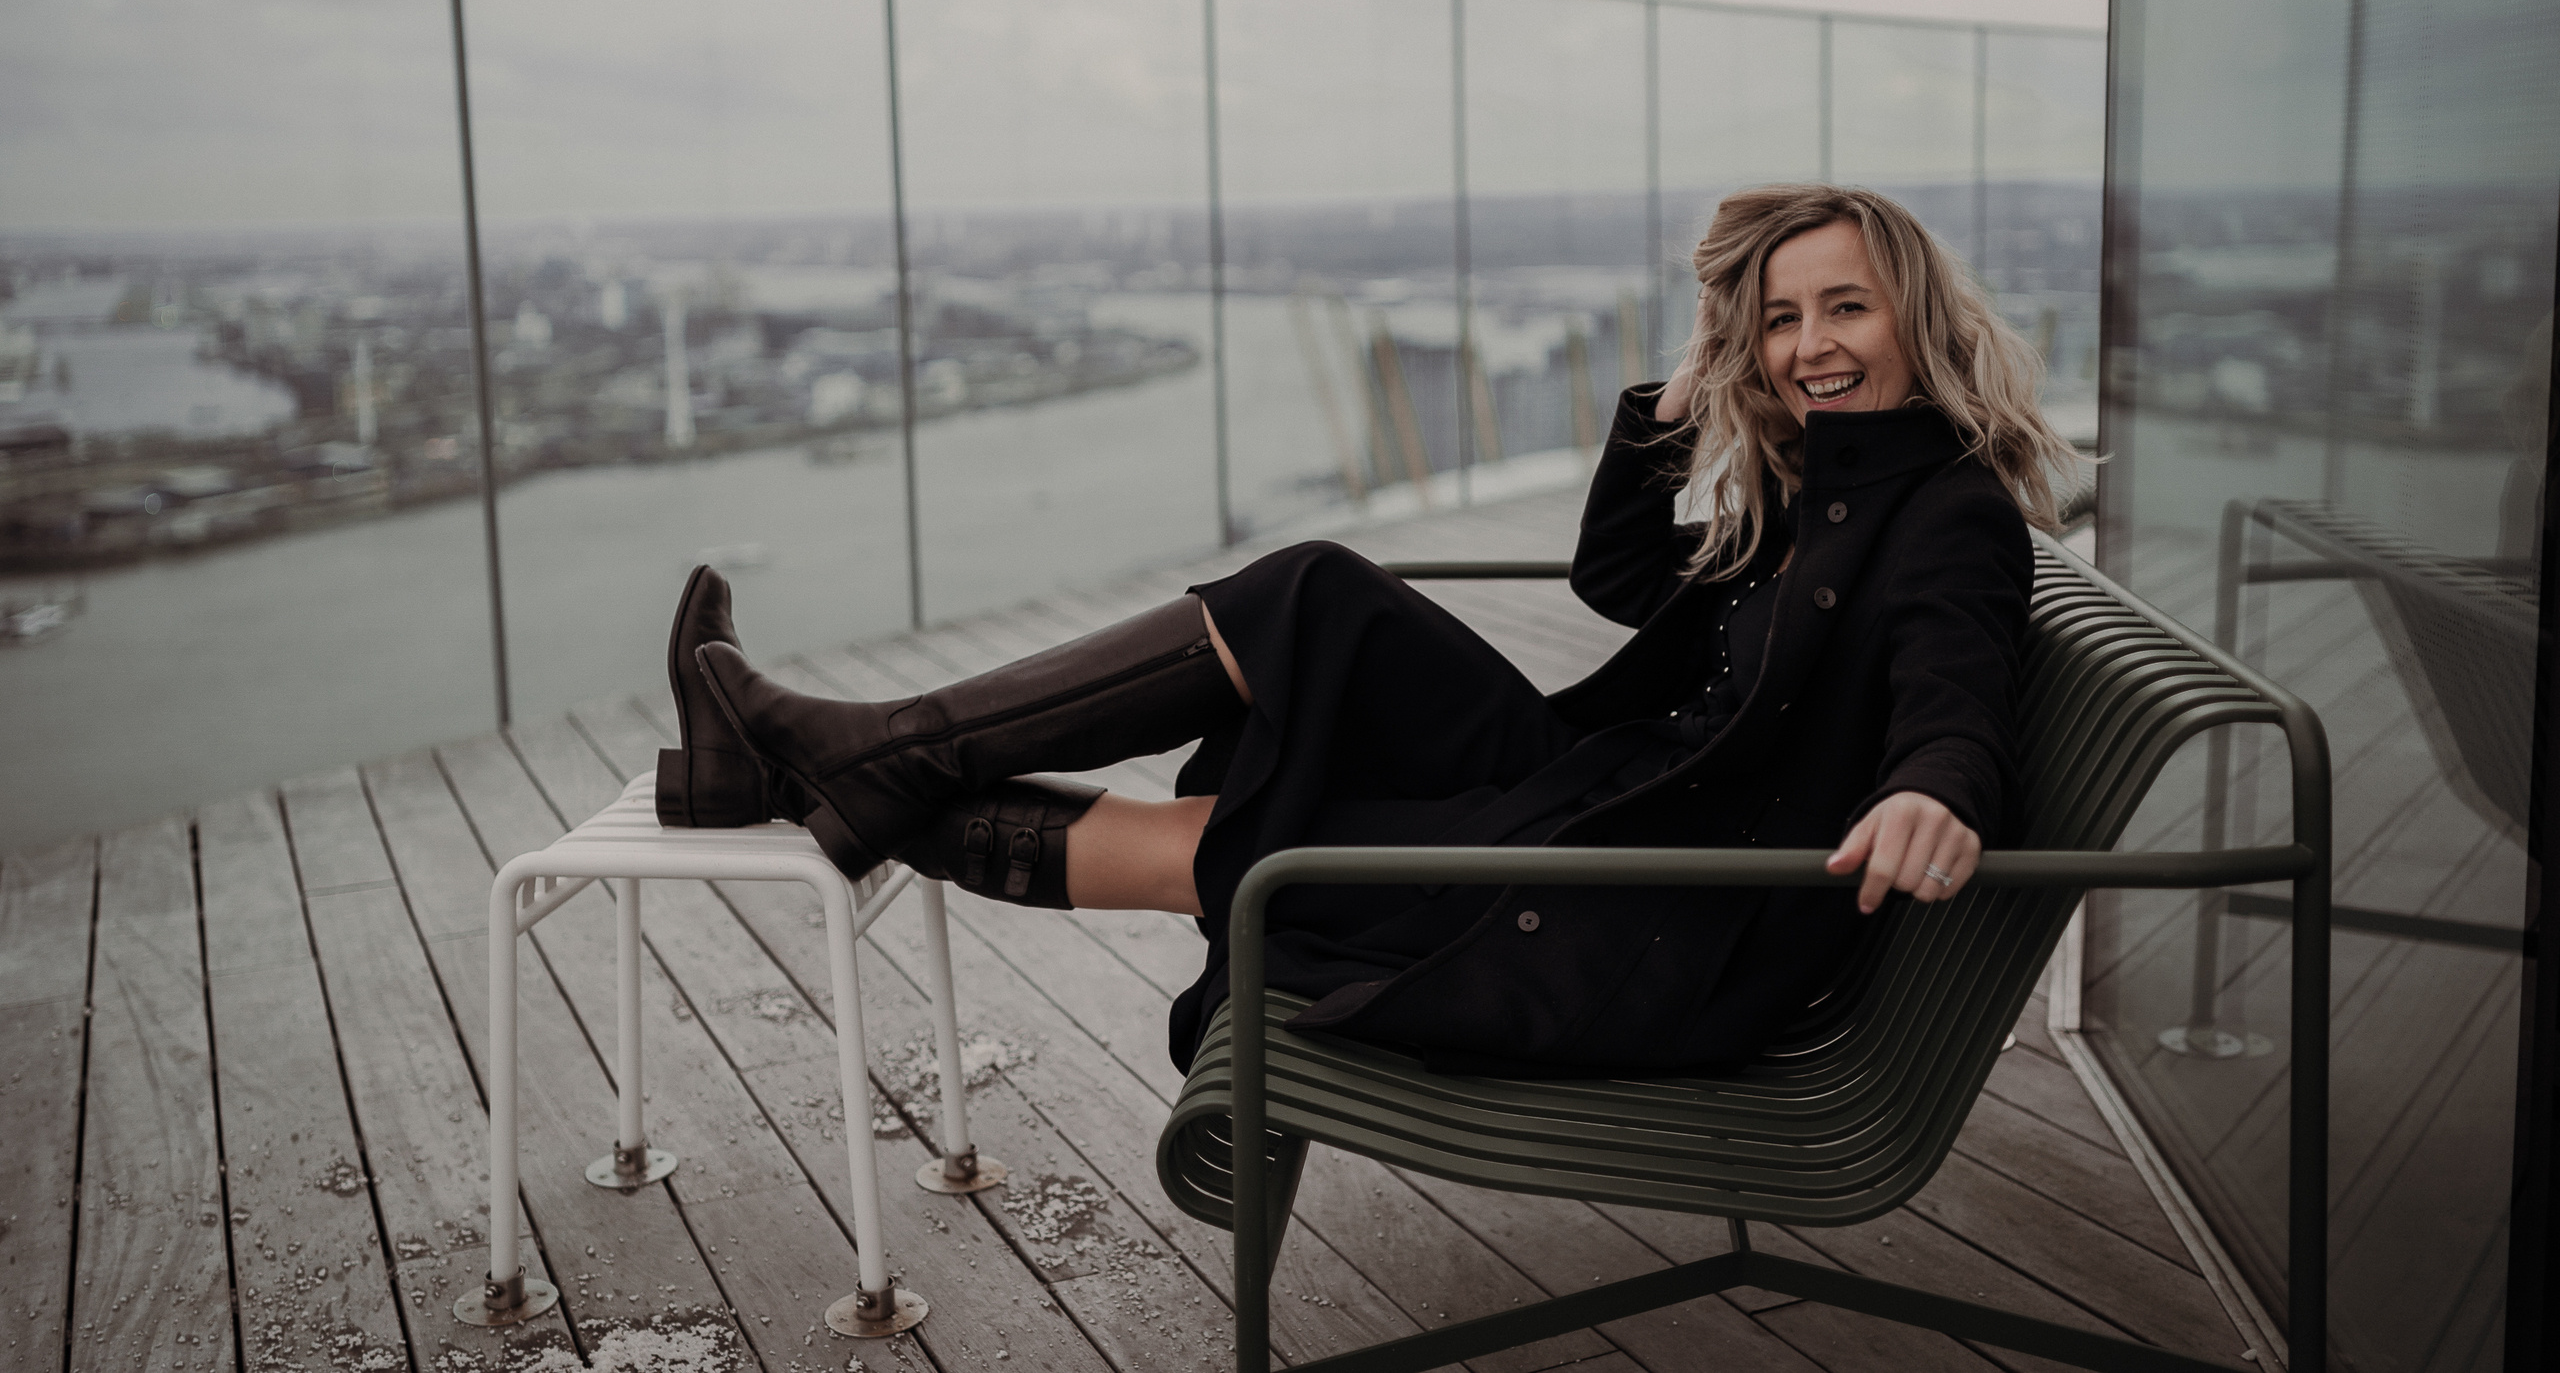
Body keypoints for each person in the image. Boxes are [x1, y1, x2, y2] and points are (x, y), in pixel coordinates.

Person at [659, 185, 2076, 1075]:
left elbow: (1952, 685)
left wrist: (1936, 788)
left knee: (1238, 834)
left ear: (1917, 318)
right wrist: (1683, 399)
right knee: (1316, 601)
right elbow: (1625, 582)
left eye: (1846, 309)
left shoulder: (1949, 514)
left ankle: (818, 763)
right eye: (1779, 321)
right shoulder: (1828, 483)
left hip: (1652, 892)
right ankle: (845, 759)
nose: (1811, 344)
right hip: (1606, 790)